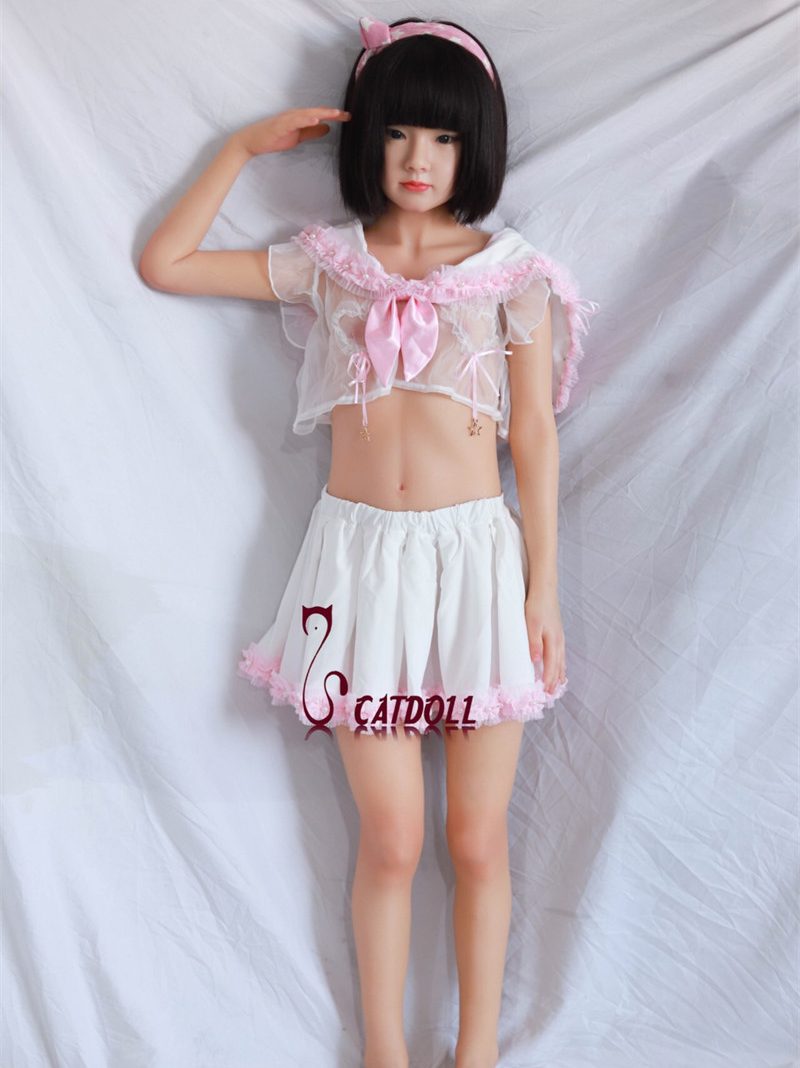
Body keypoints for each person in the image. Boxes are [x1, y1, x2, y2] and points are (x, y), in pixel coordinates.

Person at [139, 14, 598, 1068]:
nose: (417, 159)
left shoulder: (513, 275)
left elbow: (532, 437)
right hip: (357, 570)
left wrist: (542, 591)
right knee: (390, 838)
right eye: (395, 133)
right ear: (366, 141)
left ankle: (475, 1054)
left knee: (474, 837)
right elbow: (166, 264)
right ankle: (384, 1054)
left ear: (473, 147)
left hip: (476, 565)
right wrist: (239, 149)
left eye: (440, 137)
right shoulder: (329, 266)